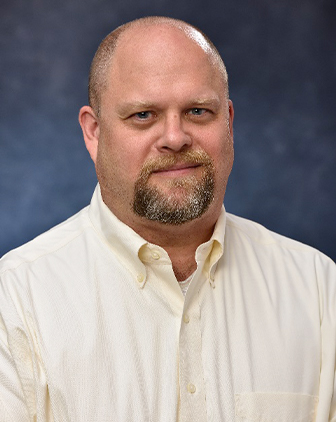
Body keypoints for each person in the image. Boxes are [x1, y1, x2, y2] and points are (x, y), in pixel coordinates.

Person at [0, 16, 335, 422]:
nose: (175, 137)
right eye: (143, 115)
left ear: (228, 122)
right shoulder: (16, 299)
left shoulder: (317, 289)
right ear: (94, 132)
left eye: (198, 111)